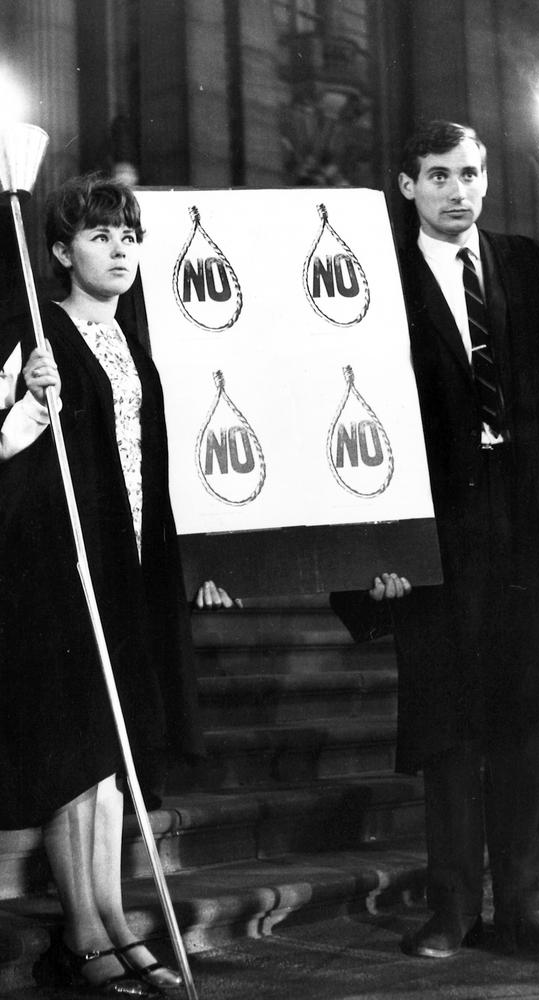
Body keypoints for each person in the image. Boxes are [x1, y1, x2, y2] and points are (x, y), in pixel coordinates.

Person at [331, 120, 539, 960]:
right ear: (408, 185)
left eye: (474, 173)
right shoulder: (373, 277)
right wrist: (369, 553)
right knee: (450, 729)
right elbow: (356, 421)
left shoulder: (526, 262)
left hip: (526, 530)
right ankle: (450, 909)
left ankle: (520, 907)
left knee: (521, 724)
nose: (462, 190)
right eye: (442, 175)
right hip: (436, 529)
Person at [0, 174, 231, 995]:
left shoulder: (130, 339)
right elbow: (5, 446)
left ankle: (114, 922)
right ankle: (85, 934)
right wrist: (25, 402)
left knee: (110, 762)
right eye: (100, 236)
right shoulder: (39, 332)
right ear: (61, 253)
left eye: (128, 234)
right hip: (59, 574)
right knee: (77, 760)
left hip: (127, 567)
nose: (120, 248)